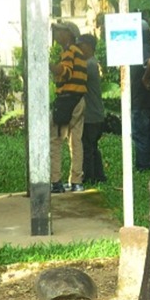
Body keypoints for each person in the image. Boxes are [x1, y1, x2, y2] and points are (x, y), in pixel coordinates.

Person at [49, 22, 88, 193]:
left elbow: (65, 72)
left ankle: (56, 181)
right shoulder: (80, 53)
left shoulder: (69, 51)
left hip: (66, 101)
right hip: (79, 100)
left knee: (56, 140)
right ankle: (76, 181)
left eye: (59, 31)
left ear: (69, 34)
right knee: (76, 141)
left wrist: (50, 66)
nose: (56, 34)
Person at [78, 33, 106, 187]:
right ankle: (99, 175)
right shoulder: (92, 63)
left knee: (87, 147)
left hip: (91, 115)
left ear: (88, 46)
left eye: (81, 45)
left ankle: (89, 176)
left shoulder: (88, 65)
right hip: (96, 114)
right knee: (93, 147)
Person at [129, 25, 150, 172]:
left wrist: (145, 78)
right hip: (148, 99)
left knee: (140, 133)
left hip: (141, 99)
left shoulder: (143, 47)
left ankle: (143, 165)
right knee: (148, 132)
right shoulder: (148, 45)